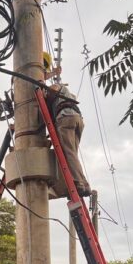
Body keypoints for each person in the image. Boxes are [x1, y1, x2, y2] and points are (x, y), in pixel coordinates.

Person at [42, 52, 91, 198]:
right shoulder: (70, 95)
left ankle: (78, 183)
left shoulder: (59, 87)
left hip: (66, 118)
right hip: (78, 120)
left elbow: (51, 90)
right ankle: (85, 184)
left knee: (68, 153)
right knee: (72, 154)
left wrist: (45, 94)